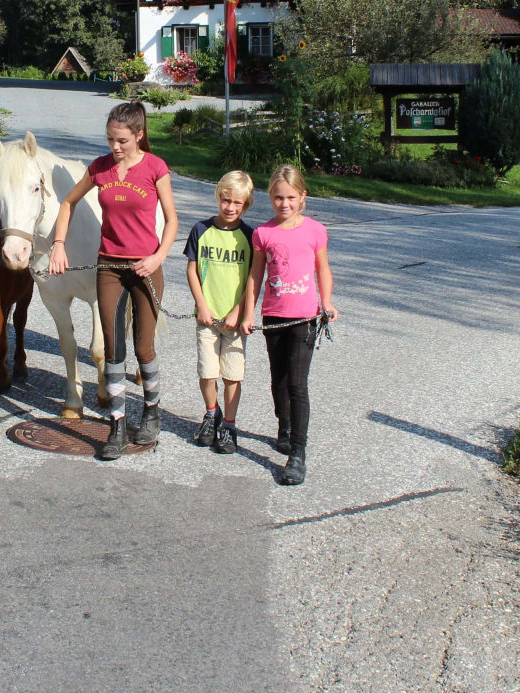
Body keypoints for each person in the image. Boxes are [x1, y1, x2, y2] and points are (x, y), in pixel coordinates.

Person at [48, 101, 178, 460]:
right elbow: (68, 203)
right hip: (109, 268)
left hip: (146, 269)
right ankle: (117, 425)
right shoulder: (100, 168)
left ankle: (151, 412)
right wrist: (58, 244)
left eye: (122, 140)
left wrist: (157, 257)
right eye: (110, 139)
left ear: (139, 135)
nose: (115, 147)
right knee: (113, 347)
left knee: (143, 347)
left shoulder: (155, 167)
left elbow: (171, 221)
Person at [241, 164, 336, 486]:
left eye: (291, 198)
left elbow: (323, 269)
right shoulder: (263, 233)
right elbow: (255, 276)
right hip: (274, 316)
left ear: (302, 196)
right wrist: (249, 313)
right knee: (278, 380)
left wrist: (327, 302)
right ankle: (284, 424)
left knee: (297, 383)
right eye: (279, 198)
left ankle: (298, 452)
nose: (285, 204)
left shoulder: (315, 231)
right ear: (271, 197)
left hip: (305, 317)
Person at [184, 170, 255, 455]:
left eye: (238, 203)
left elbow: (253, 278)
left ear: (246, 204)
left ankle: (229, 425)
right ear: (218, 197)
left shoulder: (249, 236)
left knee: (232, 376)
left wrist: (239, 310)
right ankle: (211, 414)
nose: (231, 207)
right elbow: (192, 269)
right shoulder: (201, 230)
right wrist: (202, 304)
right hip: (207, 318)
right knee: (207, 371)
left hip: (234, 321)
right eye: (226, 200)